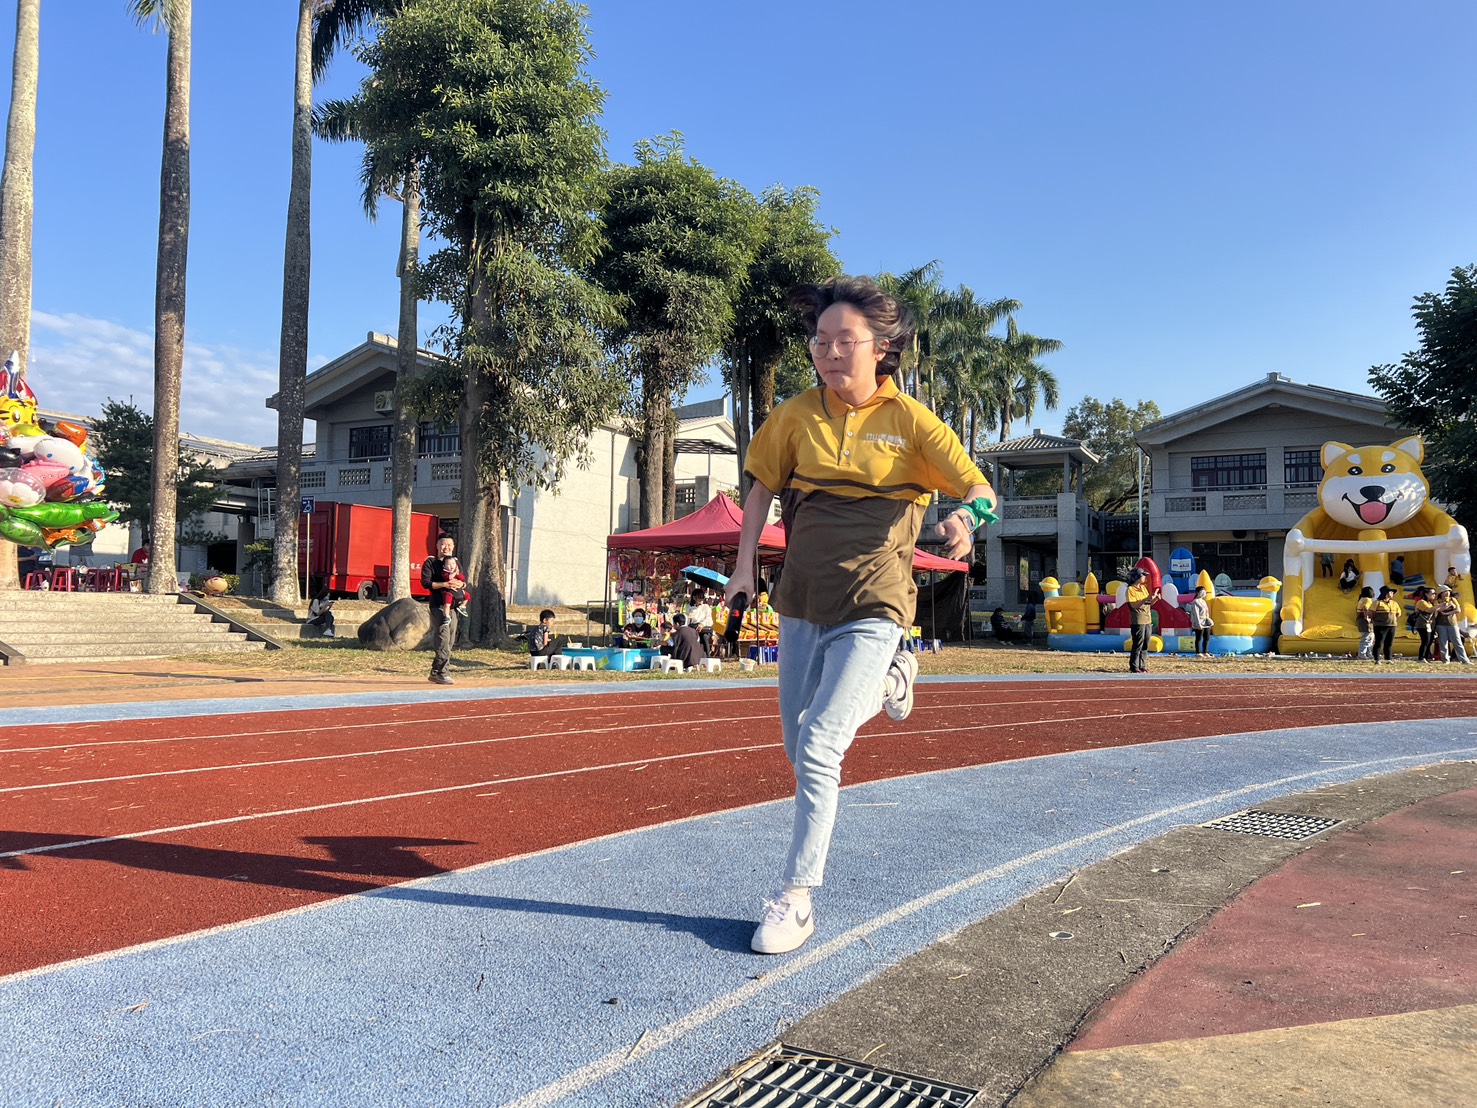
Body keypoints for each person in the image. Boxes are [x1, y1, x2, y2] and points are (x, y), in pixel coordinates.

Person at [725, 275, 997, 956]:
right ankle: (893, 682)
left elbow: (980, 489)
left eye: (844, 340)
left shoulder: (912, 422)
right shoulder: (793, 417)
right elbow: (758, 492)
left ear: (880, 348)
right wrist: (742, 566)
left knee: (820, 744)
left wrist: (966, 518)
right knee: (798, 747)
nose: (828, 352)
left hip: (877, 600)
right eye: (820, 341)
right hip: (802, 599)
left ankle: (796, 898)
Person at [420, 534, 462, 684]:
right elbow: (425, 583)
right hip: (438, 606)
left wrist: (461, 584)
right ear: (437, 546)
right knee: (443, 639)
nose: (446, 547)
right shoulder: (430, 562)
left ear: (453, 547)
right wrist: (444, 585)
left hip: (453, 607)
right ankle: (443, 673)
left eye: (449, 545)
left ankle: (436, 671)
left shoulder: (455, 561)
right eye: (443, 544)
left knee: (450, 640)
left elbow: (462, 580)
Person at [1125, 567, 1158, 673]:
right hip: (1138, 620)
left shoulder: (1143, 588)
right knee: (1138, 643)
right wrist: (1145, 598)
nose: (1145, 578)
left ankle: (1142, 665)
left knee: (1146, 643)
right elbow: (1134, 605)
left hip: (1147, 619)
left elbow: (1148, 603)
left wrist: (1155, 599)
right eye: (1143, 575)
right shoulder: (1130, 590)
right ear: (1137, 577)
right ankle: (1134, 666)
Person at [1433, 588, 1471, 664]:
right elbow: (1438, 609)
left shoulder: (1452, 599)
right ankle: (1445, 660)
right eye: (1445, 592)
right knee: (1443, 642)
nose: (1447, 593)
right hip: (1441, 623)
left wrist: (1446, 612)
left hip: (1452, 623)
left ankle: (1464, 659)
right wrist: (1448, 605)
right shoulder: (1437, 601)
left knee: (1457, 641)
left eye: (1448, 591)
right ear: (1441, 593)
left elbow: (1458, 610)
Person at [1370, 584, 1400, 663]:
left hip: (1392, 625)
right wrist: (1375, 620)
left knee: (1389, 643)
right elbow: (1371, 612)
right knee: (1379, 642)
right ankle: (1376, 659)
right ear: (1386, 593)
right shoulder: (1377, 602)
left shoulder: (1394, 603)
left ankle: (1388, 658)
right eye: (1391, 592)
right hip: (1380, 625)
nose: (1392, 594)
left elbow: (1398, 613)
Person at [1412, 586, 1437, 662]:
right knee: (1425, 641)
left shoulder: (1430, 603)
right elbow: (1428, 610)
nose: (1434, 595)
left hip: (1430, 625)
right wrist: (1439, 606)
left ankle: (1426, 657)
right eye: (1432, 593)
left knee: (1429, 641)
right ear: (1426, 594)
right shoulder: (1421, 602)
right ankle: (1421, 658)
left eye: (1435, 593)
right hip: (1422, 624)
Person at [1188, 584, 1213, 657]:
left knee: (1207, 637)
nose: (1204, 593)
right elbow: (1196, 613)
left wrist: (1208, 620)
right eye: (1202, 591)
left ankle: (1205, 652)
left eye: (1204, 591)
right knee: (1199, 637)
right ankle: (1198, 652)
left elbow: (1206, 611)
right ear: (1197, 592)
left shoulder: (1203, 601)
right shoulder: (1195, 601)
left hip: (1205, 621)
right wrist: (1198, 624)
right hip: (1199, 621)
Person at [687, 591, 714, 656]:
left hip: (704, 628)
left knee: (705, 637)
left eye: (702, 598)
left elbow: (709, 619)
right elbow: (688, 620)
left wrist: (702, 624)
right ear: (694, 598)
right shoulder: (690, 608)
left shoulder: (706, 607)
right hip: (693, 627)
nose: (701, 600)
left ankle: (707, 656)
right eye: (699, 598)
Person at [1354, 586, 1375, 660]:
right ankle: (1362, 654)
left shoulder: (1361, 599)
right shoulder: (1367, 599)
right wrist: (1367, 617)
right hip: (1365, 621)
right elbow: (1365, 608)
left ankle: (1368, 653)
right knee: (1367, 638)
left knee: (1369, 637)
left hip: (1360, 621)